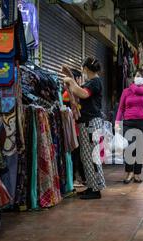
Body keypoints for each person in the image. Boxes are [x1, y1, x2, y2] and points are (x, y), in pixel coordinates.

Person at [62, 57, 106, 200]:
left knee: (91, 157)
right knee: (86, 157)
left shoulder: (95, 82)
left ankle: (96, 189)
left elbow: (83, 93)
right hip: (87, 123)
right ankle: (92, 186)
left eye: (83, 69)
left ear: (86, 69)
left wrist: (71, 81)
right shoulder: (91, 82)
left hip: (91, 123)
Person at [115, 69, 143, 184]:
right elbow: (121, 108)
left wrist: (132, 85)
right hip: (128, 122)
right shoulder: (126, 92)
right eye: (137, 75)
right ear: (134, 77)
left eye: (141, 76)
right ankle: (129, 172)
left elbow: (135, 89)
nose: (138, 77)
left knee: (140, 148)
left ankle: (137, 173)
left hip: (142, 122)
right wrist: (117, 122)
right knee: (130, 148)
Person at [62, 68, 86, 187]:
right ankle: (77, 179)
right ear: (75, 79)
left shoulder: (74, 92)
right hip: (74, 128)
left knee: (77, 155)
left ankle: (78, 178)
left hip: (75, 128)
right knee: (76, 155)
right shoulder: (68, 94)